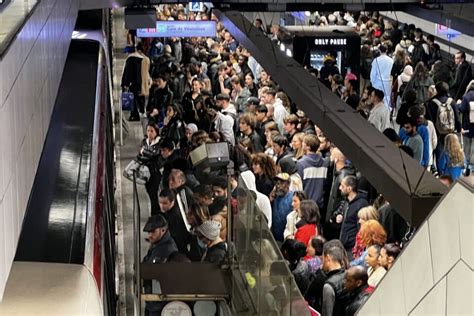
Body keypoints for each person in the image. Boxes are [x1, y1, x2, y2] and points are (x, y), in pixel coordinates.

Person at [338, 175, 369, 259]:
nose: (340, 188)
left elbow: (362, 228)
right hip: (344, 246)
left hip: (352, 249)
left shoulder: (361, 204)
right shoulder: (346, 202)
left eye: (342, 186)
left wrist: (357, 247)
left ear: (349, 188)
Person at [296, 134, 329, 209]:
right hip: (319, 205)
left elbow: (298, 186)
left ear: (307, 147)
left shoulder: (301, 164)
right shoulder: (324, 163)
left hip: (305, 205)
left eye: (304, 142)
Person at [138, 123, 162, 215]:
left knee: (154, 193)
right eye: (148, 131)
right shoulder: (144, 141)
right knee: (150, 192)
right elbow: (140, 155)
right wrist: (145, 153)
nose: (149, 133)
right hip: (146, 172)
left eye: (152, 131)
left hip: (155, 171)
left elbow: (155, 154)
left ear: (156, 132)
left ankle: (155, 213)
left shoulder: (159, 142)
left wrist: (144, 152)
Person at [158, 189, 191, 255]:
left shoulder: (176, 217)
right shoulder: (168, 212)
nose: (161, 206)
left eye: (165, 203)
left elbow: (178, 238)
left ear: (172, 202)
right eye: (160, 202)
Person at [321, 240, 349, 316]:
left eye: (322, 258)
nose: (322, 262)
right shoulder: (349, 275)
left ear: (328, 258)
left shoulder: (328, 286)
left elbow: (327, 313)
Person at [270, 173, 294, 242]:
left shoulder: (292, 198)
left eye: (281, 183)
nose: (278, 185)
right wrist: (270, 200)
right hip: (275, 236)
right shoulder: (275, 196)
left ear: (288, 184)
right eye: (277, 183)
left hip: (286, 237)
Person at [370, 44, 393, 108]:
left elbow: (373, 73)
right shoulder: (391, 61)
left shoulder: (376, 60)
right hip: (388, 83)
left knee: (377, 99)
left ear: (379, 50)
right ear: (387, 50)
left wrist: (372, 82)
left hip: (377, 82)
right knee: (387, 99)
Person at [458, 80, 474, 174]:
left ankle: (467, 165)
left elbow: (461, 108)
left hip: (467, 127)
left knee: (467, 147)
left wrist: (459, 103)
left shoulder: (466, 96)